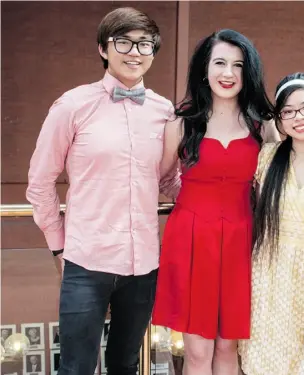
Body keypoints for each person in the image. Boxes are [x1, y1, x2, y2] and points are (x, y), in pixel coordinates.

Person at [26, 7, 179, 375]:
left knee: (126, 365)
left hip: (143, 264)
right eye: (123, 41)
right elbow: (40, 180)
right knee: (76, 367)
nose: (135, 51)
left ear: (153, 52)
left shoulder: (164, 111)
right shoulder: (72, 105)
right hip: (85, 261)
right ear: (103, 48)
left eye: (145, 44)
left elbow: (166, 179)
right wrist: (58, 244)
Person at [152, 29, 279, 375]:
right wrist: (191, 202)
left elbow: (277, 182)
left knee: (228, 346)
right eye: (219, 63)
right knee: (197, 349)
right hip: (191, 240)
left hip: (242, 239)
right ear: (204, 70)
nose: (228, 73)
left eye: (238, 65)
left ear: (248, 72)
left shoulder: (263, 126)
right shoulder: (181, 125)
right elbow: (162, 177)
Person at [238, 73, 304, 375]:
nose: (299, 118)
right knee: (264, 358)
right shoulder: (267, 158)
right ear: (279, 120)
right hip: (269, 272)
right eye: (289, 111)